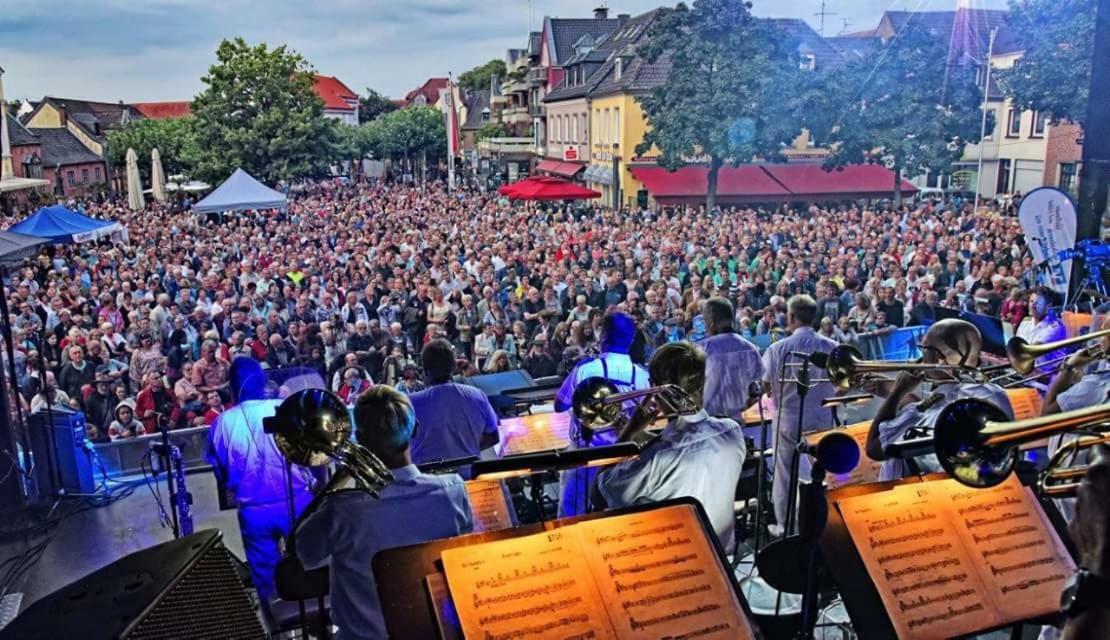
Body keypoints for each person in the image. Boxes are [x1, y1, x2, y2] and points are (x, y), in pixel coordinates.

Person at [296, 386, 473, 640]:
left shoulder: (343, 508)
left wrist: (325, 487)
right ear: (415, 430)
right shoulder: (453, 491)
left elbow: (301, 553)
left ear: (360, 439)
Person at [593, 341, 747, 551]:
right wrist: (639, 436)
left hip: (675, 564)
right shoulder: (732, 431)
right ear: (704, 381)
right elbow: (689, 444)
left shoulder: (658, 457)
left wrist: (628, 433)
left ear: (655, 387)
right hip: (722, 555)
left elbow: (601, 491)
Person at [206, 357, 314, 602]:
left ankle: (279, 629)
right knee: (310, 566)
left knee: (267, 582)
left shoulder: (221, 423)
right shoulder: (283, 407)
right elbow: (311, 454)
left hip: (254, 510)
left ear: (231, 386)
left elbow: (220, 473)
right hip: (298, 501)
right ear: (262, 382)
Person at [866, 319, 1013, 481]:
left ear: (938, 357)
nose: (921, 356)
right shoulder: (995, 394)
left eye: (924, 349)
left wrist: (897, 392)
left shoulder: (932, 408)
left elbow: (874, 449)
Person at [555, 312, 650, 517]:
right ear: (632, 339)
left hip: (585, 459)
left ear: (603, 335)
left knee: (572, 520)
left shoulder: (586, 369)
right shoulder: (643, 376)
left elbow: (559, 405)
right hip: (627, 462)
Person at [760, 295, 838, 537]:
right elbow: (840, 382)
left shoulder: (777, 349)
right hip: (823, 414)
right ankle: (830, 519)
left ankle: (784, 525)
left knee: (785, 471)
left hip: (789, 416)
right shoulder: (831, 346)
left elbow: (765, 386)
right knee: (825, 468)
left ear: (791, 317)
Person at [408, 339, 499, 472]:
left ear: (425, 371)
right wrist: (467, 450)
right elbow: (493, 436)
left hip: (428, 484)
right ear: (453, 367)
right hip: (471, 479)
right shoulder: (477, 395)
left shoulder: (409, 403)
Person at [698, 297, 764, 418]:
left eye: (705, 320)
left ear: (711, 321)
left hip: (709, 422)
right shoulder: (751, 348)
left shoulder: (701, 349)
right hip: (740, 423)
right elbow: (757, 388)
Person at [1016, 287, 1068, 373]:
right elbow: (1016, 347)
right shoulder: (1025, 322)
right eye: (1031, 301)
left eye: (1038, 303)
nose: (1033, 306)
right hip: (1026, 373)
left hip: (1044, 378)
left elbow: (1031, 350)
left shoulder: (1056, 327)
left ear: (1048, 306)